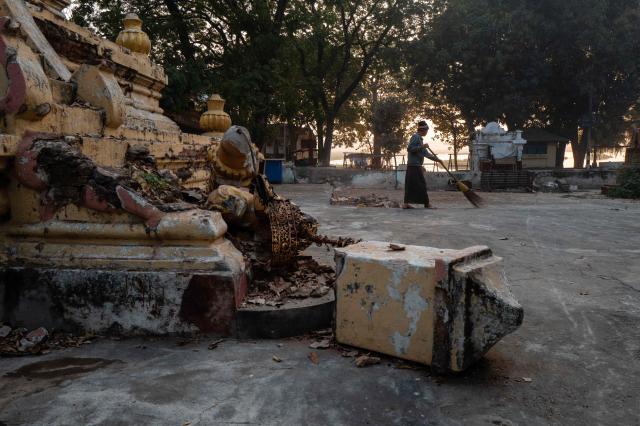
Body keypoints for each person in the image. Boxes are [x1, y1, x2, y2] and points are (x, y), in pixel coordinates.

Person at [403, 120, 438, 209]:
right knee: (421, 184)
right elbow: (410, 149)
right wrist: (422, 146)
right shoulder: (415, 137)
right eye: (426, 131)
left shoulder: (420, 139)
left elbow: (425, 153)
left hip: (415, 165)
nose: (427, 132)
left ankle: (406, 203)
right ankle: (426, 204)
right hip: (414, 165)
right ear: (423, 130)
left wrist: (437, 160)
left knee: (410, 185)